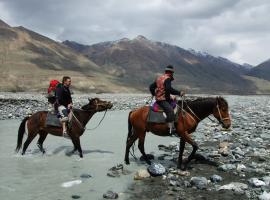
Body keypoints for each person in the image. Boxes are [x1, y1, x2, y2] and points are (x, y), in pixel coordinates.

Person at [149, 65, 184, 135]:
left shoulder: (159, 78)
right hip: (163, 100)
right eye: (172, 73)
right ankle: (170, 128)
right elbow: (168, 89)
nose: (172, 74)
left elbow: (151, 87)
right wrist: (179, 93)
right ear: (171, 73)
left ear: (165, 71)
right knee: (171, 111)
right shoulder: (167, 79)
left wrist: (154, 94)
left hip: (159, 99)